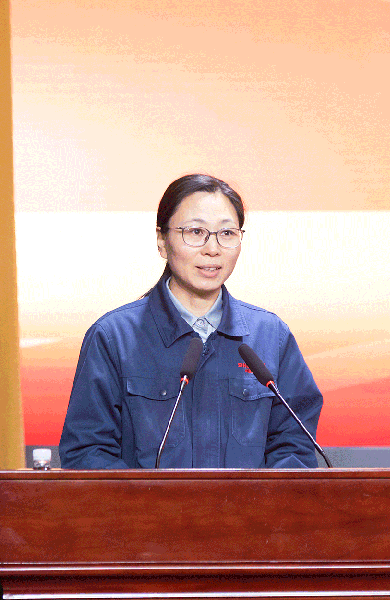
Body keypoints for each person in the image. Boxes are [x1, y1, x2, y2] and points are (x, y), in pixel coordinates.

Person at [58, 173, 323, 469]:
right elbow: (87, 454)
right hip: (145, 502)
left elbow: (295, 449)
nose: (212, 249)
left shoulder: (270, 336)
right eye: (195, 232)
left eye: (227, 233)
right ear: (162, 241)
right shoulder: (114, 338)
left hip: (251, 502)